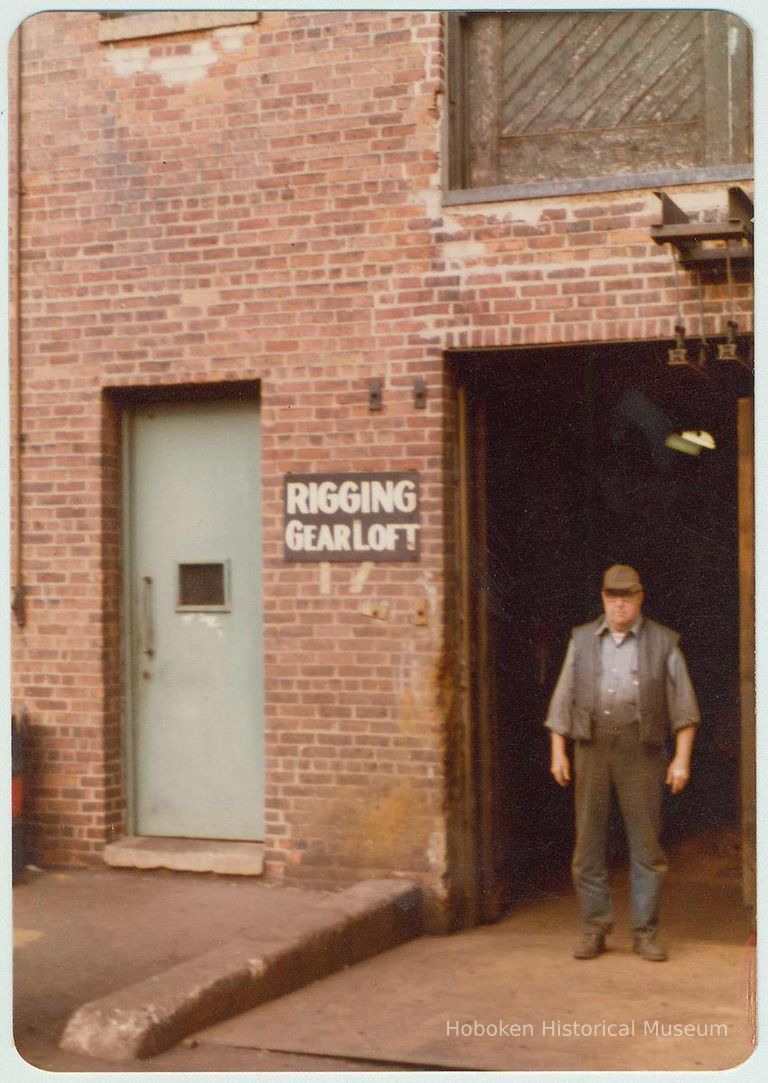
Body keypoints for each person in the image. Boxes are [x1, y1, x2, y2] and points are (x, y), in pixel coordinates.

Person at [545, 564, 700, 962]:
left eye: (626, 597)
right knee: (588, 844)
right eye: (612, 597)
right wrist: (558, 751)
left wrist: (681, 760)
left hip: (642, 750)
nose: (619, 605)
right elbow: (562, 700)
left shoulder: (663, 643)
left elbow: (684, 708)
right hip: (591, 748)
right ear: (603, 599)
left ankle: (645, 932)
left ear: (639, 598)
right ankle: (594, 928)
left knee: (646, 846)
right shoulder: (581, 641)